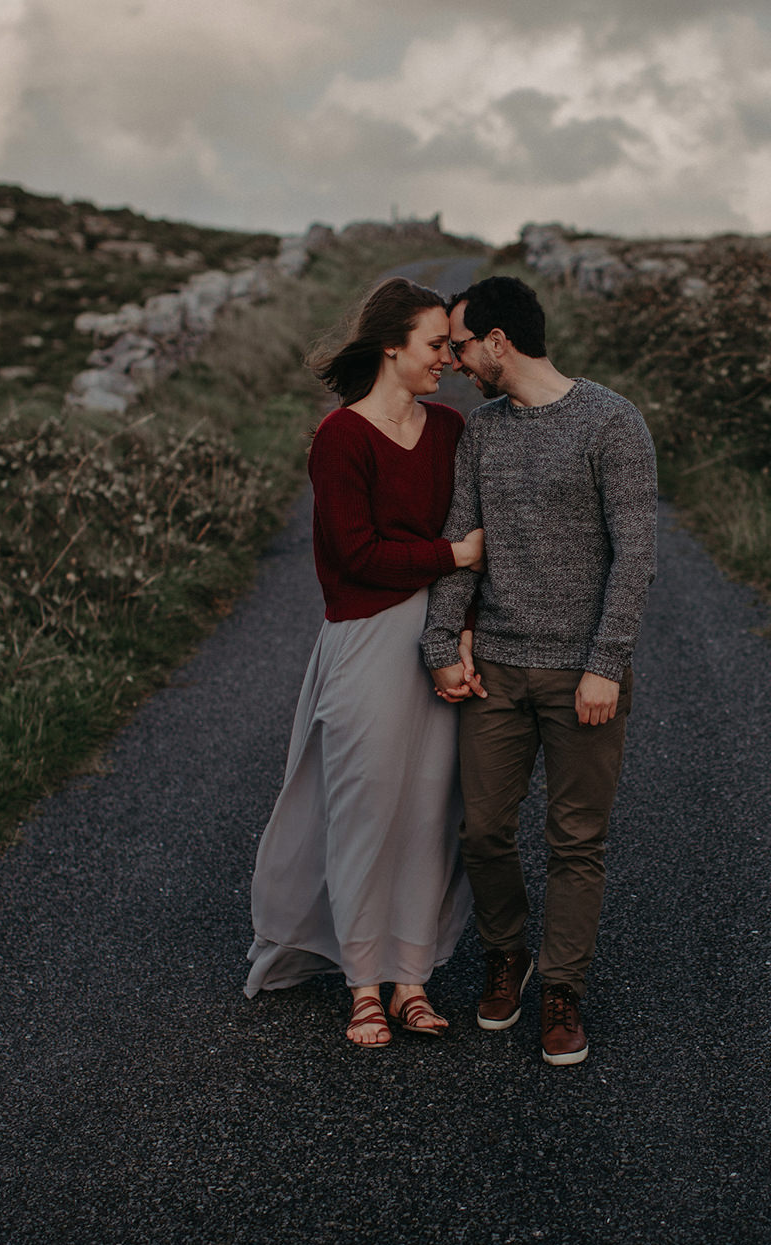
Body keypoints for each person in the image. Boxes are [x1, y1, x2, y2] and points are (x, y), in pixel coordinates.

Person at [421, 275, 657, 1067]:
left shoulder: (612, 423)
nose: (453, 359)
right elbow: (463, 539)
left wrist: (606, 664)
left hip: (582, 676)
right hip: (496, 669)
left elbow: (635, 557)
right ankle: (507, 954)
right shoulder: (482, 433)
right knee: (483, 831)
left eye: (458, 345)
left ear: (497, 343)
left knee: (575, 840)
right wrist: (441, 639)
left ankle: (563, 991)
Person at [245, 277, 482, 1048]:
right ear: (391, 345)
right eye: (435, 344)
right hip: (365, 641)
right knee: (363, 811)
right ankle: (361, 986)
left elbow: (472, 537)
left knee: (427, 813)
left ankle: (412, 980)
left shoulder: (449, 431)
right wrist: (449, 554)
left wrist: (463, 628)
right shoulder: (341, 438)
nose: (448, 357)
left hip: (438, 646)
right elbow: (354, 554)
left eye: (451, 345)